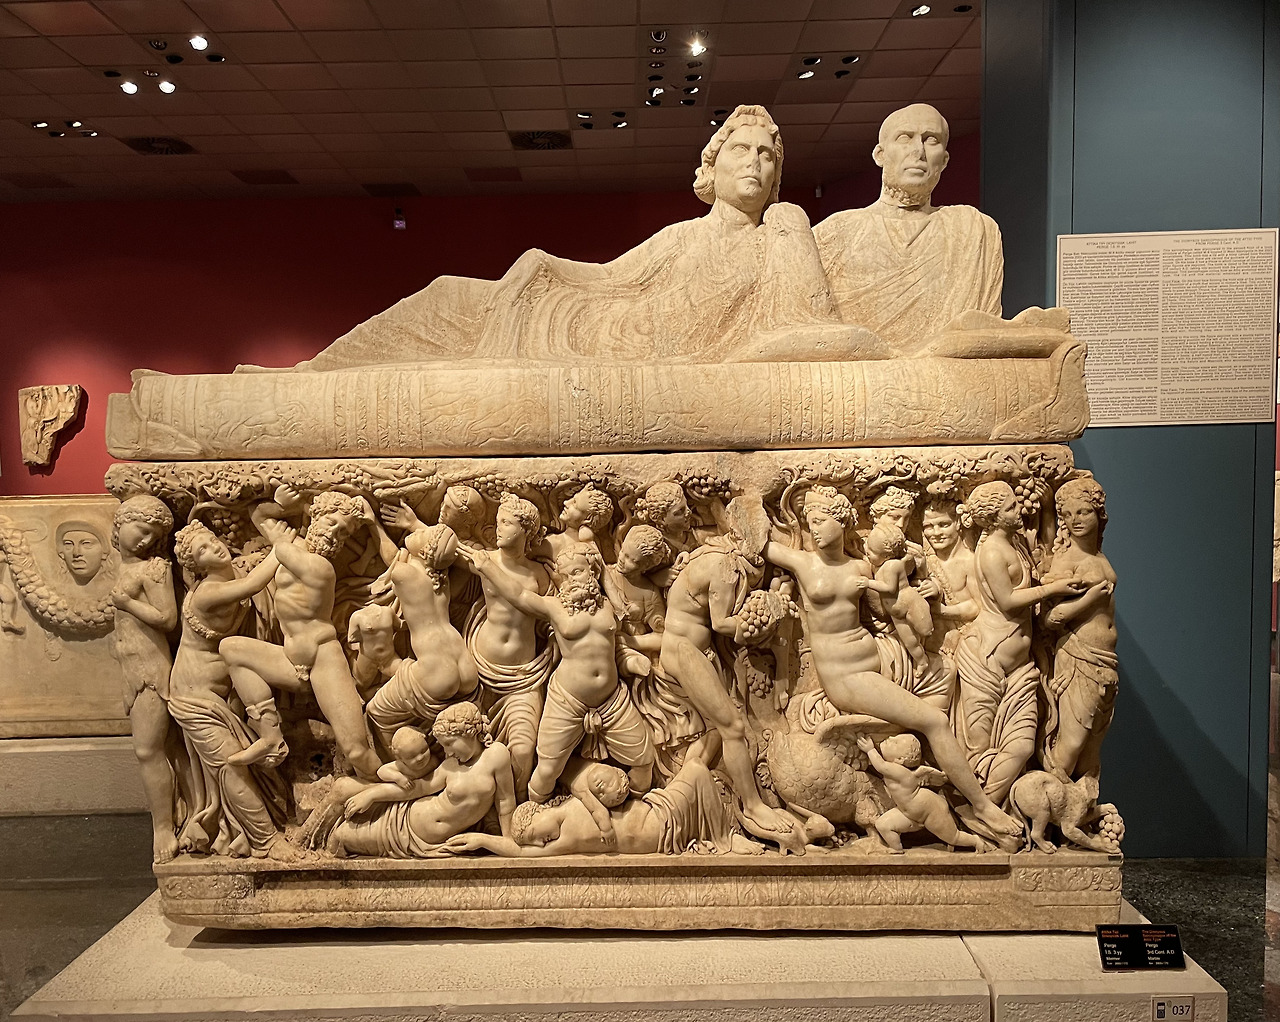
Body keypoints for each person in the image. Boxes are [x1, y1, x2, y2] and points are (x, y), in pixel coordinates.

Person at [299, 105, 849, 369]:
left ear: (777, 175)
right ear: (714, 166)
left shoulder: (780, 233)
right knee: (450, 293)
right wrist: (545, 262)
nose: (754, 162)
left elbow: (808, 323)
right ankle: (318, 372)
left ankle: (317, 375)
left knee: (454, 306)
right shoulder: (682, 236)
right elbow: (608, 277)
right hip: (602, 322)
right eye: (741, 149)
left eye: (766, 155)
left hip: (626, 347)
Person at [763, 485, 1020, 839]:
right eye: (810, 523)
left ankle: (942, 776)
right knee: (934, 721)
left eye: (821, 521)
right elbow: (762, 544)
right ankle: (981, 806)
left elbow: (891, 599)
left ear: (843, 522)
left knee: (946, 670)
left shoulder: (860, 565)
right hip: (848, 676)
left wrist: (921, 585)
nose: (814, 530)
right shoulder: (803, 563)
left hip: (881, 655)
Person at [462, 543, 655, 803]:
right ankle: (533, 812)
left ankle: (635, 814)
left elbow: (627, 613)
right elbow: (519, 595)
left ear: (593, 571)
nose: (570, 581)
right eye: (564, 576)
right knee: (547, 770)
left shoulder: (609, 605)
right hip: (567, 701)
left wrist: (603, 573)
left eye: (576, 572)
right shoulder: (555, 606)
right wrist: (487, 566)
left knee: (644, 762)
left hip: (612, 701)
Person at [219, 486, 382, 780]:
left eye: (343, 534)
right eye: (332, 523)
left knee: (356, 750)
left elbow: (279, 545)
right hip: (290, 659)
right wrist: (282, 507)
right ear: (317, 517)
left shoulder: (320, 567)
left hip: (323, 659)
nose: (334, 535)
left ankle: (386, 790)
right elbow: (257, 515)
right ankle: (270, 736)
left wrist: (289, 525)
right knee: (231, 649)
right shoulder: (292, 547)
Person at [814, 103, 1003, 354]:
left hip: (947, 373)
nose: (918, 151)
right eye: (905, 138)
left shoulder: (974, 230)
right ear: (880, 154)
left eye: (931, 140)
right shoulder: (836, 233)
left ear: (944, 160)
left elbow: (985, 333)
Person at [658, 496, 793, 836]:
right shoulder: (725, 568)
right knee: (732, 727)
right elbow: (721, 623)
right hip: (684, 652)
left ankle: (682, 797)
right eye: (760, 539)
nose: (762, 549)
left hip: (694, 651)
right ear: (742, 536)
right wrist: (767, 616)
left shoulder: (715, 551)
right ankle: (753, 807)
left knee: (721, 729)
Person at [952, 482, 1085, 806]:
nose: (1019, 510)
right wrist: (1053, 590)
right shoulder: (992, 552)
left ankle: (985, 810)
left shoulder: (1013, 543)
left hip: (1019, 667)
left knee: (1023, 746)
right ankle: (979, 813)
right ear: (993, 517)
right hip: (986, 661)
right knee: (979, 750)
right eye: (1011, 507)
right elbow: (1009, 601)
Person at [168, 522, 295, 860]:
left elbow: (252, 568)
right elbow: (254, 584)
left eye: (212, 540)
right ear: (197, 566)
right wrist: (282, 545)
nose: (214, 547)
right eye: (203, 551)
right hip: (194, 697)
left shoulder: (235, 570)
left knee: (249, 764)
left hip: (223, 694)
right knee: (231, 766)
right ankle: (267, 841)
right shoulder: (208, 592)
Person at [442, 755, 760, 857]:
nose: (540, 843)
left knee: (697, 766)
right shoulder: (566, 838)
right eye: (536, 843)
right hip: (661, 827)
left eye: (536, 835)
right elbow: (522, 853)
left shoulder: (574, 801)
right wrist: (482, 839)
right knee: (696, 769)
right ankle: (727, 838)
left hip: (658, 810)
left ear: (539, 811)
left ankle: (731, 829)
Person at [314, 702, 517, 858]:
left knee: (341, 837)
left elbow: (505, 801)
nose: (447, 751)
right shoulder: (450, 765)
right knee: (342, 803)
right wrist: (371, 795)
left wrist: (506, 839)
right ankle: (306, 840)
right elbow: (418, 789)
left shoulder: (496, 755)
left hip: (415, 839)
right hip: (403, 816)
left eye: (449, 743)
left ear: (468, 733)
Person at [460, 493, 553, 799]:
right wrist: (413, 524)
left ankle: (519, 803)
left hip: (523, 676)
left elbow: (547, 614)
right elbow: (445, 547)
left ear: (526, 530)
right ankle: (487, 808)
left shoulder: (539, 574)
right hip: (480, 671)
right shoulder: (484, 559)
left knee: (524, 749)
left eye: (506, 523)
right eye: (498, 521)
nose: (498, 528)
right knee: (468, 747)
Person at [363, 516, 479, 754]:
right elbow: (456, 556)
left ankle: (403, 765)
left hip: (437, 668)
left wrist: (374, 524)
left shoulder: (404, 572)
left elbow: (392, 557)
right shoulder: (442, 577)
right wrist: (418, 528)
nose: (415, 532)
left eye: (422, 534)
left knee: (376, 711)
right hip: (464, 664)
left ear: (426, 551)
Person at [109, 496, 180, 862]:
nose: (145, 540)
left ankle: (163, 827)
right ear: (120, 524)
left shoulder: (154, 569)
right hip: (130, 667)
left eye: (153, 535)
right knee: (157, 749)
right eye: (141, 530)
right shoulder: (121, 566)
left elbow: (168, 618)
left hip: (150, 669)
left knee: (148, 749)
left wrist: (128, 604)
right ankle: (173, 816)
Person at [1039, 478, 1117, 782]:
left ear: (1099, 514)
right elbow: (1050, 619)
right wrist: (1090, 598)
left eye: (1083, 512)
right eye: (1068, 515)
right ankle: (1050, 799)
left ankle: (1079, 802)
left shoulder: (1097, 555)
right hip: (1079, 656)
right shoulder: (1067, 560)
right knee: (1071, 741)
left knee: (1091, 746)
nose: (1075, 520)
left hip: (1105, 659)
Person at [856, 734, 988, 853]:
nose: (889, 738)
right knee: (882, 824)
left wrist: (870, 749)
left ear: (900, 759)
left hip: (930, 810)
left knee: (953, 837)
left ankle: (976, 841)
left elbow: (880, 766)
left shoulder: (900, 773)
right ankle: (896, 848)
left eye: (895, 742)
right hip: (908, 813)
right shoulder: (900, 771)